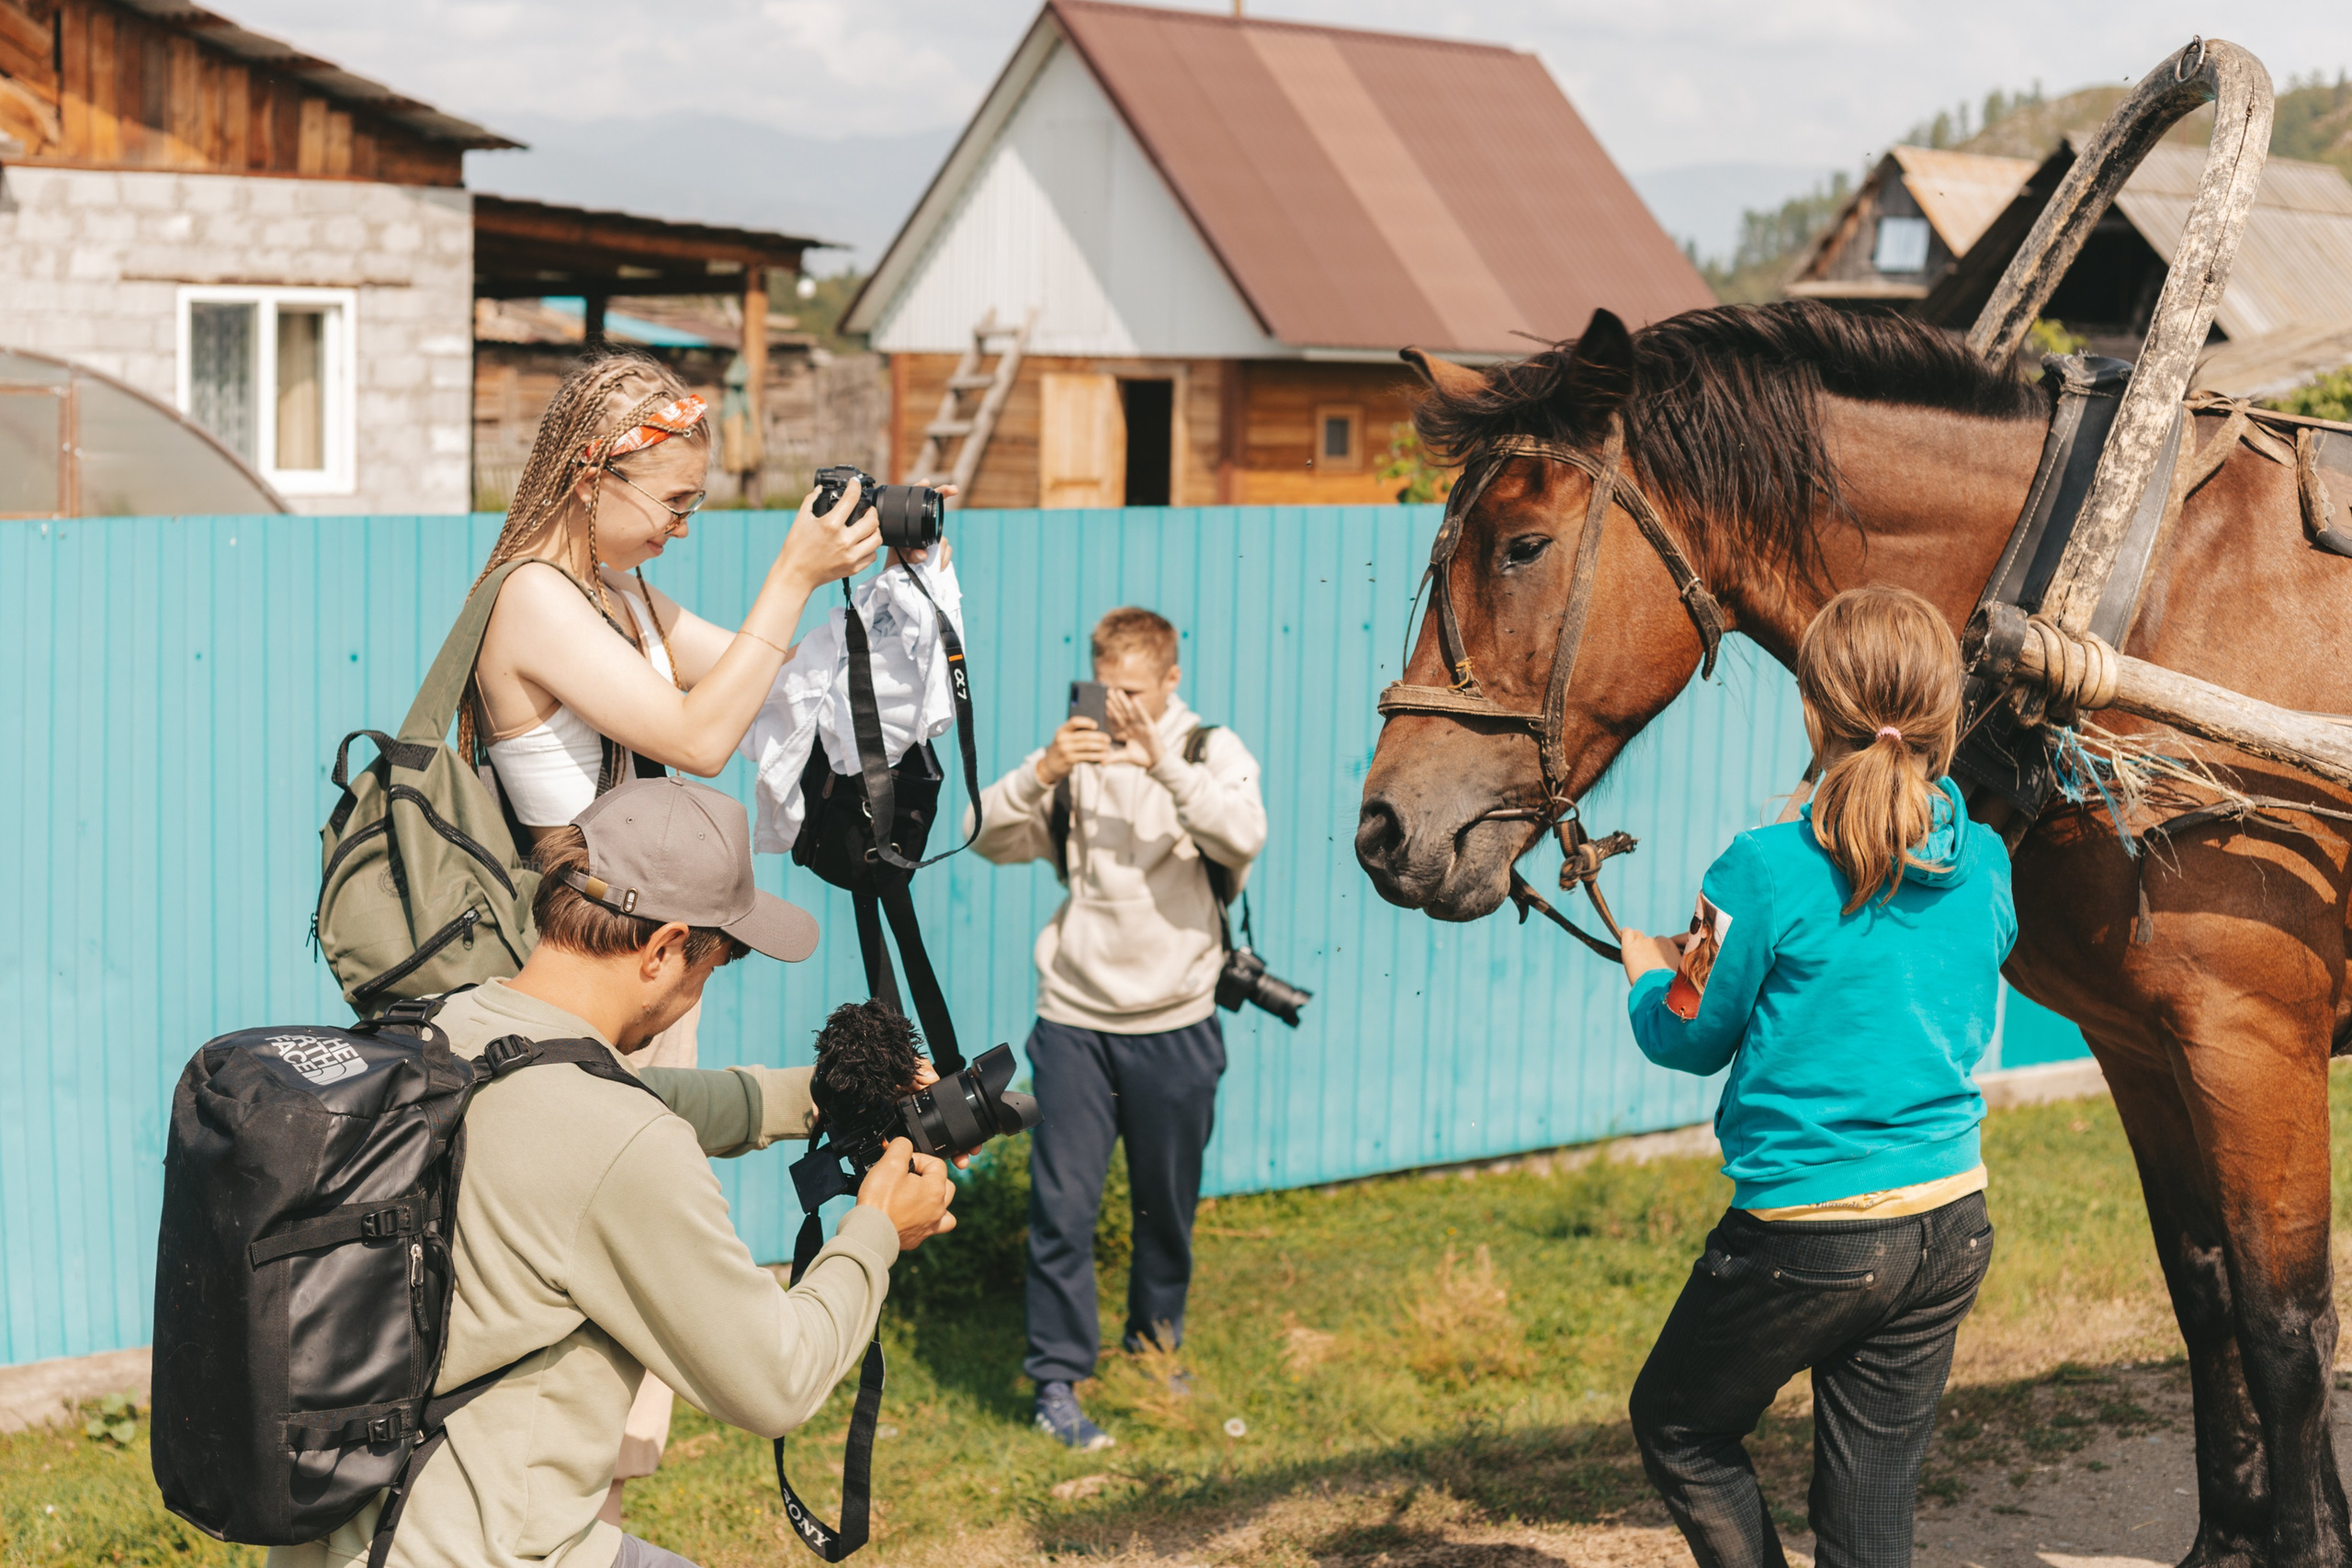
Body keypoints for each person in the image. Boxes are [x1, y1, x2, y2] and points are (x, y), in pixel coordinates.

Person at [459, 346, 947, 1501]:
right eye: (674, 502)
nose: (683, 527)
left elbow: (757, 683)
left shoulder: (617, 594)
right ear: (593, 476)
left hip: (641, 979)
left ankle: (577, 1515)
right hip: (585, 979)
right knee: (594, 1325)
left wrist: (883, 596)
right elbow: (695, 737)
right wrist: (789, 571)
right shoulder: (532, 595)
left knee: (629, 1352)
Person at [271, 776, 956, 1568]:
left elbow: (619, 1100)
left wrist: (823, 1097)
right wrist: (875, 1230)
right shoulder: (621, 1141)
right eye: (715, 962)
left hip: (339, 1534)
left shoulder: (441, 1024)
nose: (702, 987)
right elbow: (775, 1381)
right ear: (664, 950)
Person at [1616, 586, 2016, 1568]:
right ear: (1945, 715)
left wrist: (1648, 975)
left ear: (1811, 709)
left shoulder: (1758, 867)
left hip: (1809, 1235)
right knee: (1869, 1501)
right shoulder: (1991, 858)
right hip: (1948, 1219)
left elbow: (1687, 1039)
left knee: (1679, 1426)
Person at [967, 607, 1268, 1450]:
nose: (1120, 708)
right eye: (1109, 690)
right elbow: (978, 833)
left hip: (1177, 1019)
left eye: (1135, 693)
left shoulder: (1211, 752)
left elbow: (1245, 835)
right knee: (1062, 1209)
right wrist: (1042, 770)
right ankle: (1058, 1380)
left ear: (1171, 681)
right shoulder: (1075, 755)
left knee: (1163, 1209)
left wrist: (1163, 762)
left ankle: (1154, 1347)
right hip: (1073, 1021)